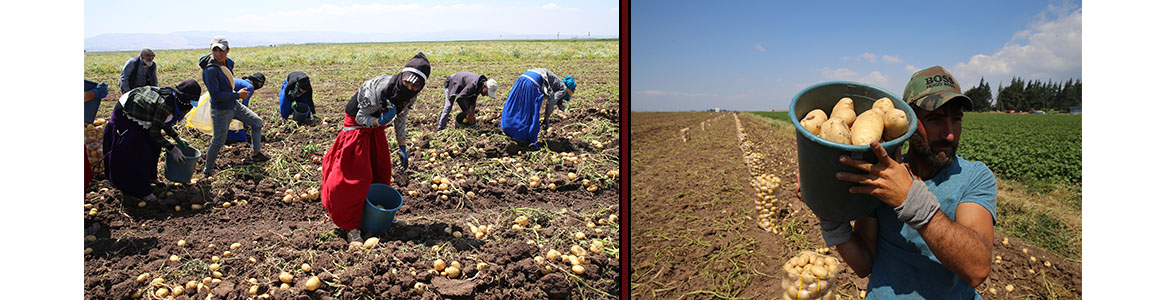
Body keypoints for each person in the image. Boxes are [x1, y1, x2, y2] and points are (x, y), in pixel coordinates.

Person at [796, 66, 996, 299]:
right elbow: (863, 264)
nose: (949, 134)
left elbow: (977, 269)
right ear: (909, 121)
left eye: (956, 119)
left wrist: (910, 199)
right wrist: (829, 217)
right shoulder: (880, 173)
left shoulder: (974, 176)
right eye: (935, 119)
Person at [320, 52, 430, 242]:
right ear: (402, 77)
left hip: (376, 128)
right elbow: (362, 117)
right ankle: (351, 226)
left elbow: (400, 119)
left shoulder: (411, 96)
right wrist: (380, 121)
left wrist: (402, 146)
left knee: (381, 172)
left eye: (415, 86)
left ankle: (376, 219)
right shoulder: (377, 89)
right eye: (407, 83)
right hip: (356, 126)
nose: (410, 88)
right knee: (354, 179)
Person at [101, 80, 200, 203]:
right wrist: (173, 148)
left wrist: (177, 138)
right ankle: (142, 191)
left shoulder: (176, 102)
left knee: (155, 146)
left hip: (144, 115)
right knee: (142, 153)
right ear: (184, 99)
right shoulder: (166, 105)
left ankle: (151, 178)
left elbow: (162, 122)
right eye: (190, 102)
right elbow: (155, 132)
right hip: (126, 113)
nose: (190, 106)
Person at [199, 36, 268, 176]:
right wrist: (237, 95)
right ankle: (207, 170)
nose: (218, 54)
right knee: (218, 141)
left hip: (234, 105)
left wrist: (235, 97)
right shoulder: (210, 70)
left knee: (257, 122)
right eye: (215, 50)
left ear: (228, 50)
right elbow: (216, 95)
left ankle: (256, 153)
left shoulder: (228, 63)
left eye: (221, 50)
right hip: (221, 109)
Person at [499, 68, 576, 147]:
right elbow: (550, 103)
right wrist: (546, 118)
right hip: (532, 84)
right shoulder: (562, 88)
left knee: (515, 106)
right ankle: (525, 138)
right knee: (529, 112)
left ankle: (507, 127)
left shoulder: (555, 83)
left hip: (522, 79)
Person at [226, 73, 266, 142]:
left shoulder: (245, 83)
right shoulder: (249, 87)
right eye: (260, 84)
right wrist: (245, 122)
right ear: (257, 82)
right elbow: (244, 106)